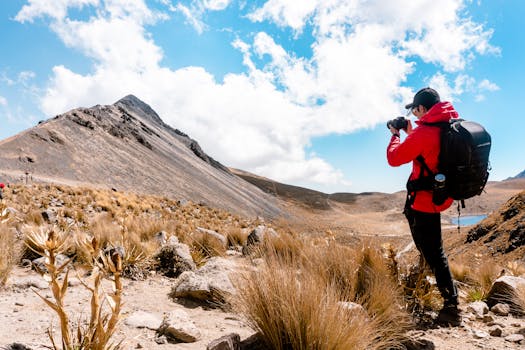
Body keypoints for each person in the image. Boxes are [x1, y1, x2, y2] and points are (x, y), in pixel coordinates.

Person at [386, 87, 461, 326]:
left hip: (424, 202)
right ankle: (439, 291)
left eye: (415, 110)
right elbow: (427, 149)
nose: (414, 115)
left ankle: (452, 305)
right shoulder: (446, 124)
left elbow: (394, 159)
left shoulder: (425, 132)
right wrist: (411, 130)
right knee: (432, 249)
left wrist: (395, 134)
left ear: (421, 108)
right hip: (438, 197)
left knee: (434, 253)